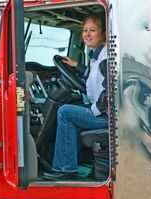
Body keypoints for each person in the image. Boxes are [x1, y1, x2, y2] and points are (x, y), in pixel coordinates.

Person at [44, 13, 108, 180]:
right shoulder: (97, 56)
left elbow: (112, 90)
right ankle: (71, 165)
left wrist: (95, 110)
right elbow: (94, 76)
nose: (87, 34)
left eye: (92, 30)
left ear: (103, 33)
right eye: (85, 30)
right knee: (73, 112)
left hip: (107, 116)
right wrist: (76, 65)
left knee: (65, 112)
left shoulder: (105, 57)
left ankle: (65, 168)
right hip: (104, 112)